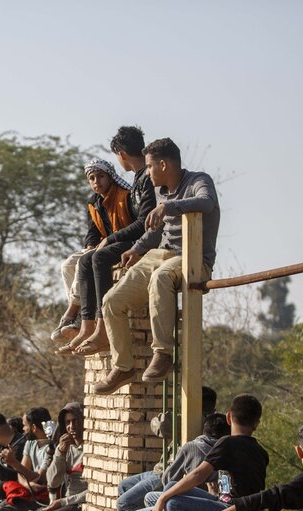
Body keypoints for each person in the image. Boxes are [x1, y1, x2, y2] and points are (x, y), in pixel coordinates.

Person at [93, 138, 221, 394]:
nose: (147, 172)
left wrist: (169, 206)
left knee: (160, 278)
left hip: (192, 258)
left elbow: (207, 202)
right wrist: (137, 249)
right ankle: (123, 367)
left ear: (163, 165)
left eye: (150, 166)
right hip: (161, 254)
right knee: (111, 301)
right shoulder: (162, 191)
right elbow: (154, 231)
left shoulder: (198, 180)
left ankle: (162, 353)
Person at [131, 394, 269, 511]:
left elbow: (198, 474)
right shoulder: (260, 451)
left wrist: (164, 498)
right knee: (166, 489)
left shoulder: (227, 443)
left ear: (228, 417)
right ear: (257, 423)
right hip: (233, 510)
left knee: (173, 503)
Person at [65, 127, 157, 355]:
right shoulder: (138, 178)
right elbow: (93, 231)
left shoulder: (145, 179)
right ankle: (88, 326)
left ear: (121, 154)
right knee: (86, 260)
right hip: (132, 239)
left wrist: (111, 239)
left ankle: (103, 328)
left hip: (145, 242)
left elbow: (144, 222)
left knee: (101, 256)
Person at [54, 159, 135, 351]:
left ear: (110, 177)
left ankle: (73, 312)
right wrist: (91, 245)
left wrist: (106, 243)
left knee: (85, 261)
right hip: (101, 245)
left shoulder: (125, 196)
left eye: (101, 176)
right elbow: (92, 232)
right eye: (92, 178)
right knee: (67, 265)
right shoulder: (93, 202)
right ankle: (79, 315)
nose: (96, 181)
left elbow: (134, 226)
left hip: (122, 243)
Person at [117, 386, 219, 511]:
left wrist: (175, 416)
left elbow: (159, 424)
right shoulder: (209, 422)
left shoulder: (192, 421)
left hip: (167, 473)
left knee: (124, 503)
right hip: (160, 470)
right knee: (124, 485)